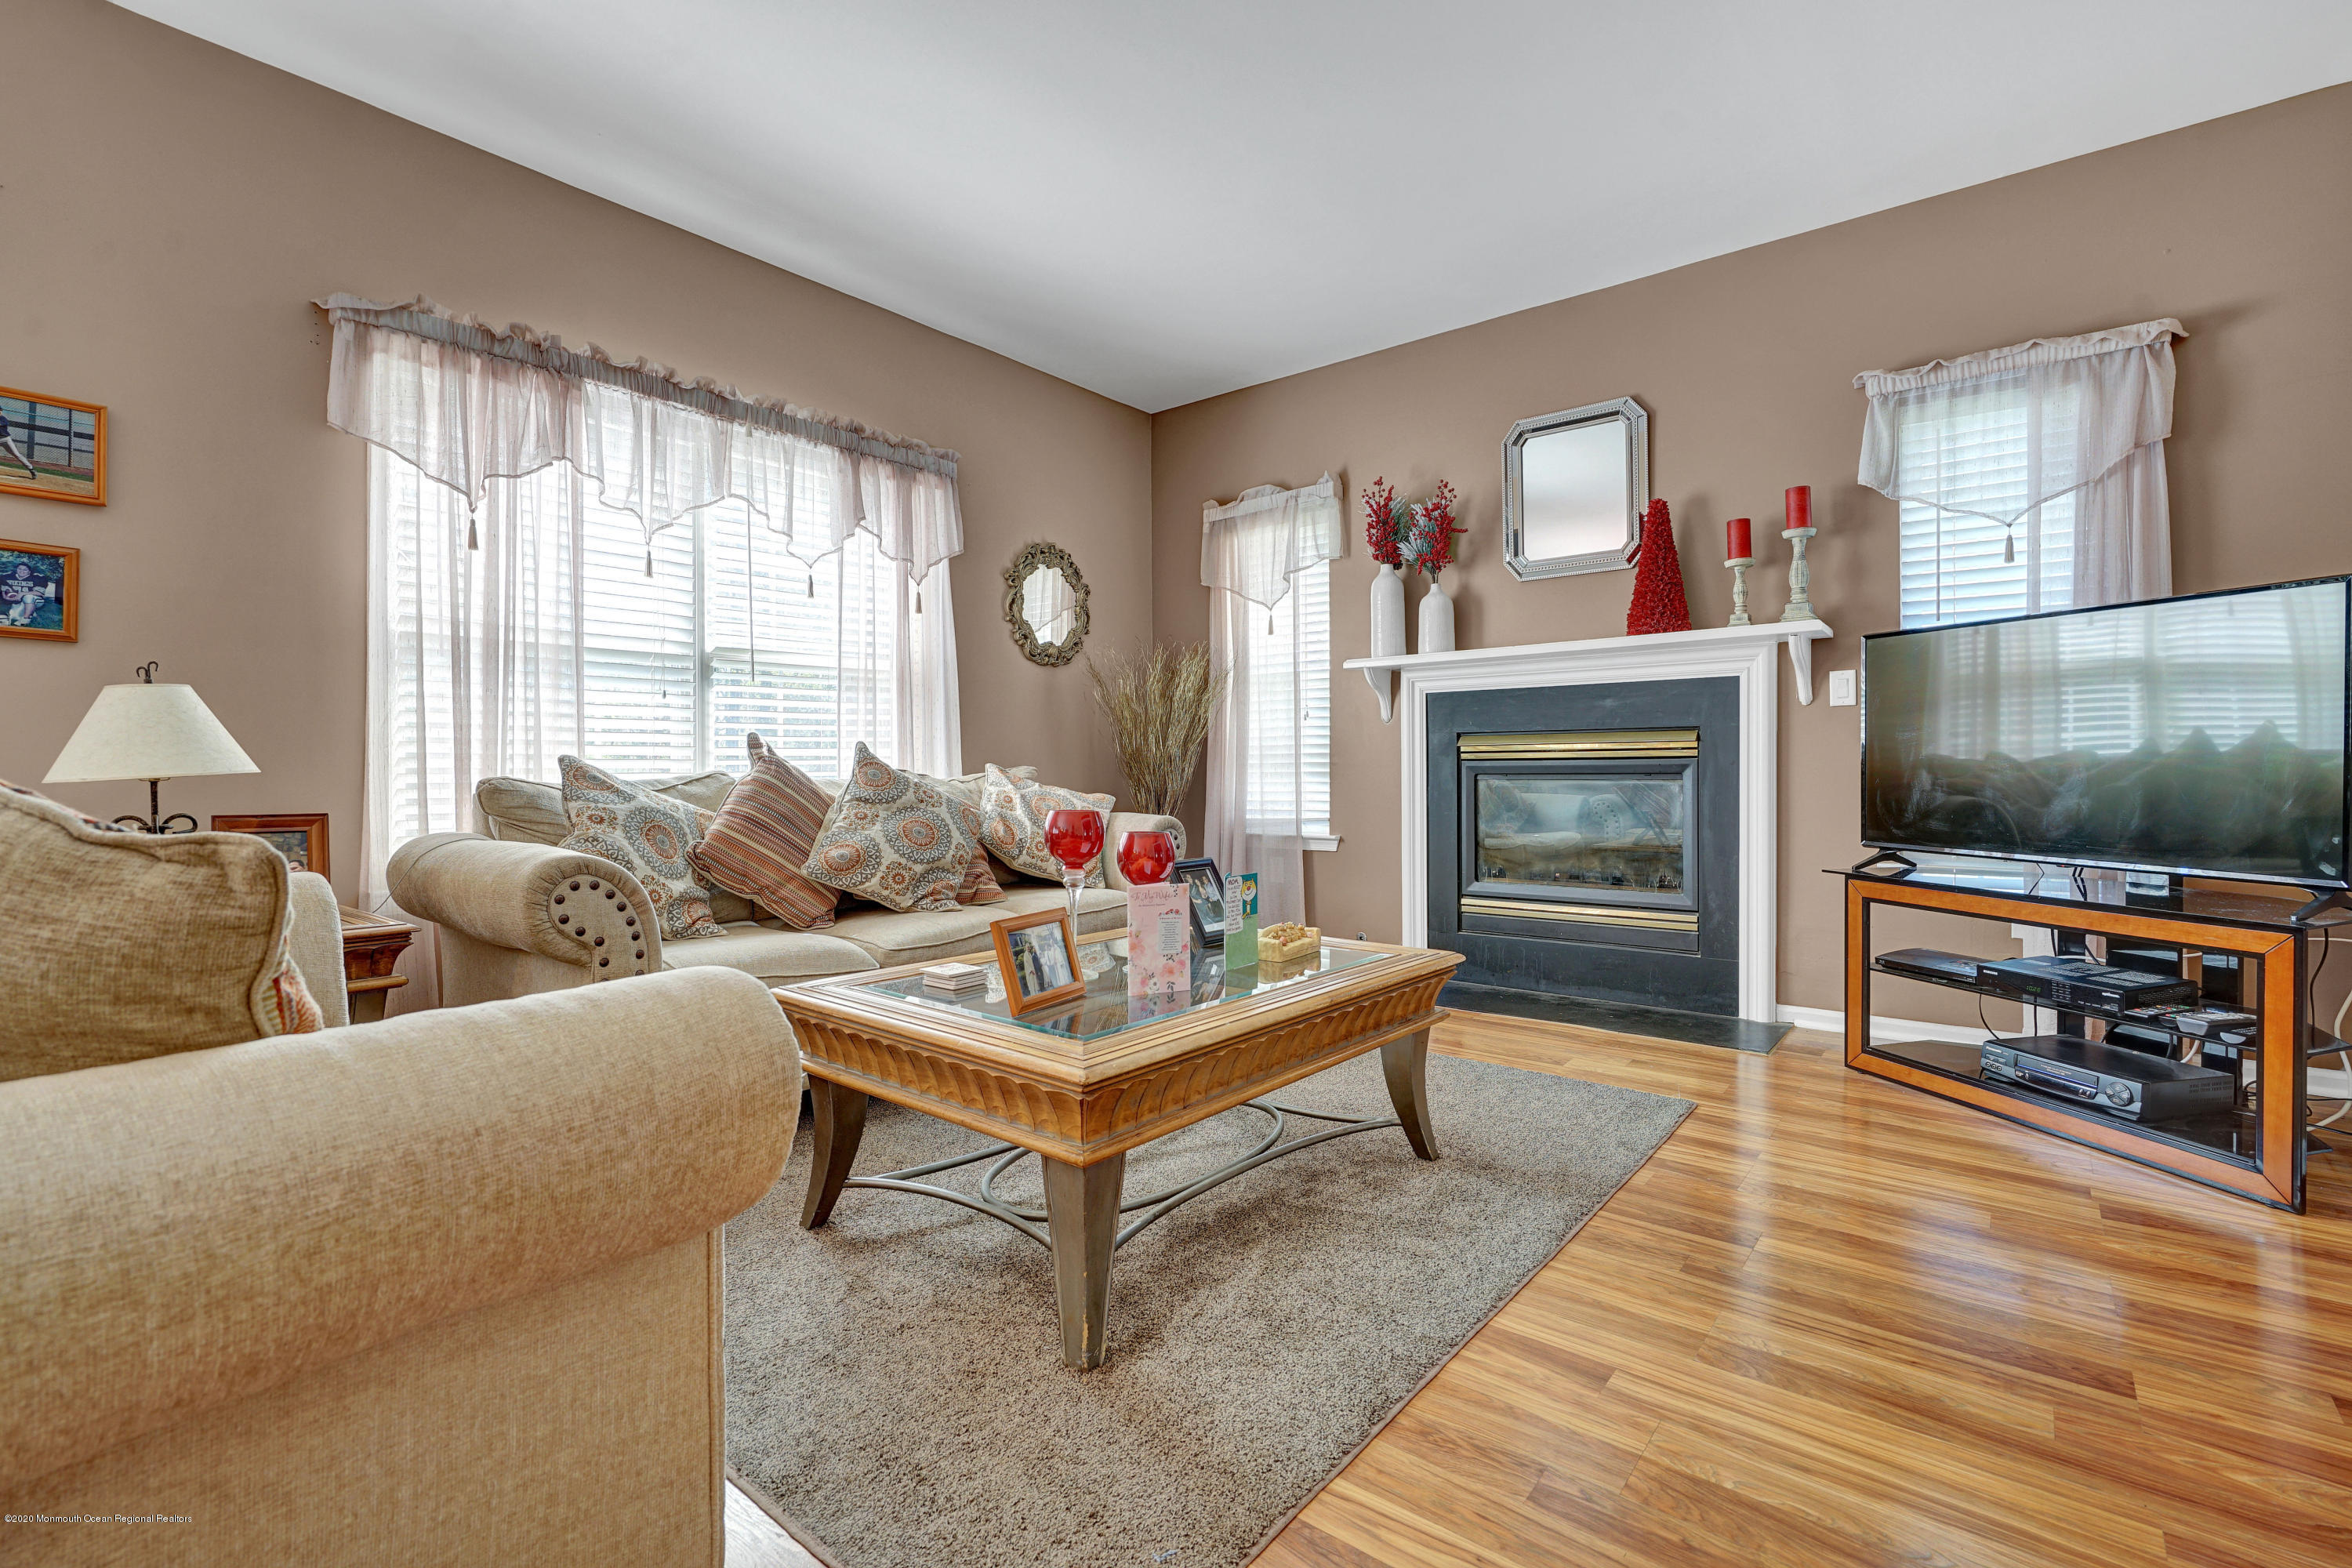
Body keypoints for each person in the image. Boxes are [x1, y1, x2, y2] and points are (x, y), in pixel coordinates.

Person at [0, 411, 35, 478]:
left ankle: (31, 469)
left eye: (0, 410)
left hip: (5, 440)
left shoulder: (3, 419)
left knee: (17, 455)